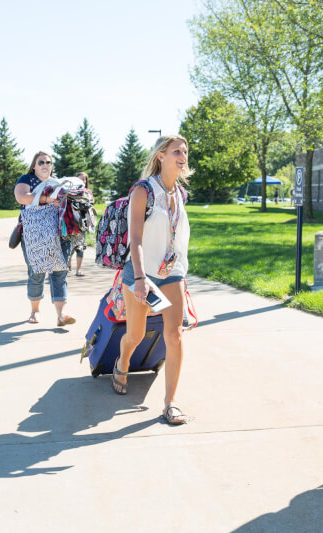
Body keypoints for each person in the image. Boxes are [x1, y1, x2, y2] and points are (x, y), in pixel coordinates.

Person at [111, 135, 193, 425]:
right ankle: (122, 362)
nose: (182, 156)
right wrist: (142, 278)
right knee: (135, 335)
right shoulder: (143, 190)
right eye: (176, 151)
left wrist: (181, 272)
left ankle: (170, 403)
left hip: (171, 272)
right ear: (161, 156)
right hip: (141, 272)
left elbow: (176, 235)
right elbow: (136, 238)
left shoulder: (179, 194)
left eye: (184, 151)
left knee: (175, 334)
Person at [14, 152, 76, 327]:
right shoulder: (27, 179)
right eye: (41, 162)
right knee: (37, 273)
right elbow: (22, 197)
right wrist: (48, 199)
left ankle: (61, 315)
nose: (45, 165)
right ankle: (35, 310)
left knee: (60, 272)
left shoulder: (57, 183)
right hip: (34, 235)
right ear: (34, 165)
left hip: (59, 234)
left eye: (48, 162)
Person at [71, 171, 90, 276]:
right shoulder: (70, 192)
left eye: (84, 179)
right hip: (71, 223)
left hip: (83, 224)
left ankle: (78, 270)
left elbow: (91, 206)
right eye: (80, 179)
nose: (82, 181)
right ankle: (67, 267)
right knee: (70, 248)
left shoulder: (88, 192)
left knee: (80, 247)